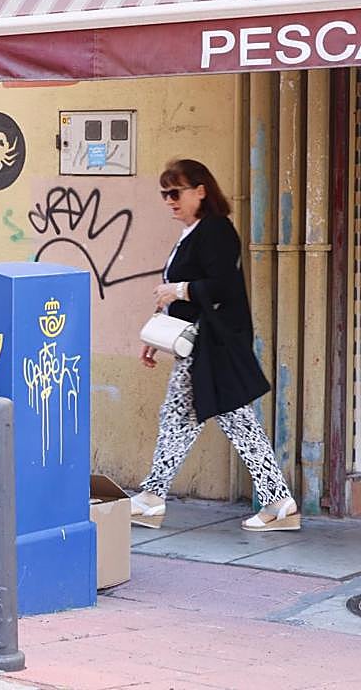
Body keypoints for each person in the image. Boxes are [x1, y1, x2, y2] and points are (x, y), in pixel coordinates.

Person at [133, 158, 299, 532]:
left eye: (175, 192)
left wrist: (178, 289)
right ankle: (153, 497)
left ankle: (153, 499)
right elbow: (182, 295)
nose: (169, 201)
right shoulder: (193, 232)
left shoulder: (216, 231)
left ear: (200, 191)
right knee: (192, 419)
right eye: (165, 194)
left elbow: (223, 286)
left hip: (214, 347)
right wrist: (157, 335)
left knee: (217, 421)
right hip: (198, 345)